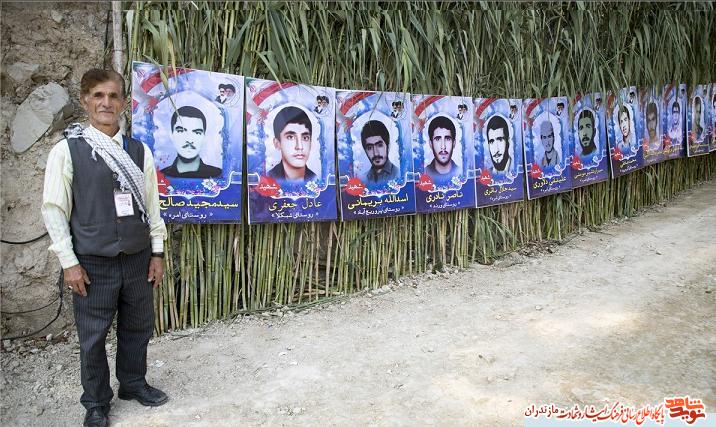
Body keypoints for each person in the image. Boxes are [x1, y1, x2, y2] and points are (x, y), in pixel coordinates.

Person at [41, 69, 168, 427]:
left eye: (113, 96)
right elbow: (54, 210)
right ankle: (96, 402)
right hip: (92, 262)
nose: (106, 103)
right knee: (93, 337)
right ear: (85, 101)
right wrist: (69, 263)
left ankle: (133, 383)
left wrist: (157, 253)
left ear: (124, 102)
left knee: (138, 327)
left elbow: (152, 206)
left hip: (137, 258)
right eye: (98, 95)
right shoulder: (67, 151)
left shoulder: (138, 151)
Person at [160, 106, 222, 179]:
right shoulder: (160, 176)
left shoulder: (217, 175)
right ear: (171, 135)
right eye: (181, 131)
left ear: (204, 137)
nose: (189, 140)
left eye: (197, 132)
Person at [267, 106, 316, 182]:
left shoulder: (317, 180)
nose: (299, 146)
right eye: (290, 137)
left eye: (305, 138)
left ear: (311, 143)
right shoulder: (267, 179)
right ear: (277, 143)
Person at [359, 120, 399, 184]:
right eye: (370, 148)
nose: (375, 153)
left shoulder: (398, 175)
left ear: (388, 146)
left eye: (379, 145)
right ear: (365, 151)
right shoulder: (363, 180)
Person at [425, 115, 458, 180]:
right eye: (437, 139)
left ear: (454, 143)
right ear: (430, 144)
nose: (443, 147)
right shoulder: (423, 174)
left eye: (447, 139)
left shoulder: (461, 173)